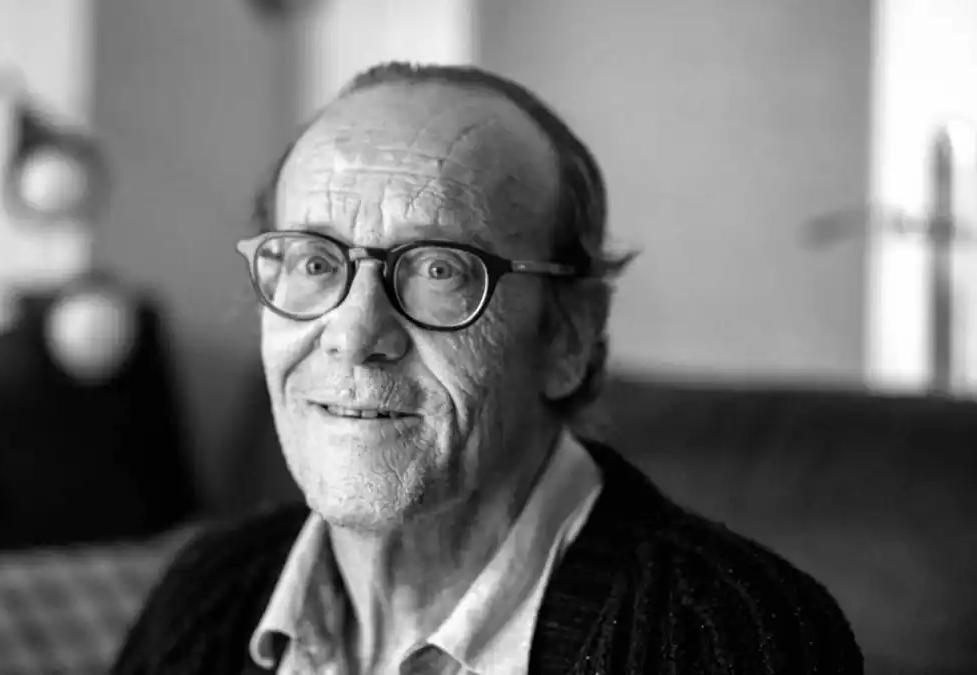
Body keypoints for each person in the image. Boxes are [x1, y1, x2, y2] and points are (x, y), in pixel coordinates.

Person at [112, 62, 862, 674]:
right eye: (313, 260)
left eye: (439, 268)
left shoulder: (726, 638)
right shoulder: (208, 598)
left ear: (568, 334)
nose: (354, 332)